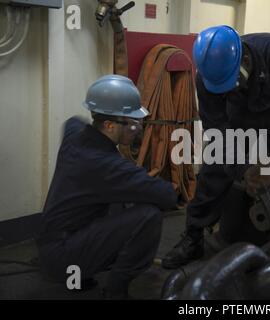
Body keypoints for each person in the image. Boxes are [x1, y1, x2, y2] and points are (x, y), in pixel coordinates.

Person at [162, 26, 270, 269]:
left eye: (232, 82)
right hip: (238, 115)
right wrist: (242, 168)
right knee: (213, 172)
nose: (228, 88)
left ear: (245, 59)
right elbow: (216, 129)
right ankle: (193, 237)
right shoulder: (207, 78)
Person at [37, 75, 177, 299]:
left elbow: (73, 121)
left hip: (51, 241)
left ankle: (82, 269)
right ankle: (115, 291)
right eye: (131, 123)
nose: (138, 128)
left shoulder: (76, 137)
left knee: (119, 198)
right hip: (63, 258)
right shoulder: (107, 166)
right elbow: (167, 196)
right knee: (148, 215)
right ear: (109, 125)